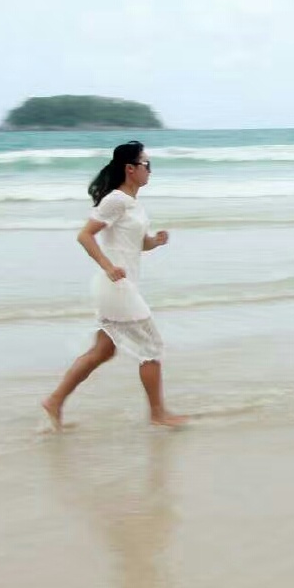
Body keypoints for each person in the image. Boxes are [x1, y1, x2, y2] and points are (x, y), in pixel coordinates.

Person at [42, 141, 186, 430]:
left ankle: (55, 401)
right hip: (117, 287)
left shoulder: (133, 204)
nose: (150, 170)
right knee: (151, 347)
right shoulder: (116, 200)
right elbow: (85, 235)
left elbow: (137, 244)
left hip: (122, 286)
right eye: (146, 165)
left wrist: (155, 241)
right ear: (130, 169)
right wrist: (108, 267)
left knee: (103, 350)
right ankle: (158, 414)